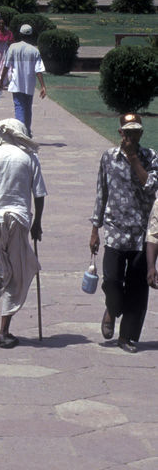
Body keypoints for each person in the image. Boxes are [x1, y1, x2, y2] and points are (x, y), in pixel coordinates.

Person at [0, 118, 46, 348]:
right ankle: (4, 330)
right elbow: (40, 194)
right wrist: (38, 223)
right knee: (16, 271)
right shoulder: (29, 158)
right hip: (18, 220)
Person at [91, 111, 158, 353]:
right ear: (120, 133)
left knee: (137, 288)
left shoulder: (150, 157)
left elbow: (152, 188)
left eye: (135, 132)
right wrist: (94, 230)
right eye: (127, 132)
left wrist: (134, 160)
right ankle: (112, 308)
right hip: (115, 232)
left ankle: (126, 337)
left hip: (141, 234)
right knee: (111, 281)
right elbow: (102, 193)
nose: (131, 137)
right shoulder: (108, 158)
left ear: (141, 133)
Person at [4, 24, 47, 131]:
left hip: (17, 83)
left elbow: (6, 65)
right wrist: (43, 86)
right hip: (29, 84)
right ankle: (26, 131)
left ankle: (21, 132)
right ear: (31, 35)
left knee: (19, 108)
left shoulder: (13, 47)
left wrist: (1, 80)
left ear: (20, 34)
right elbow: (39, 70)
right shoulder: (34, 50)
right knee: (27, 109)